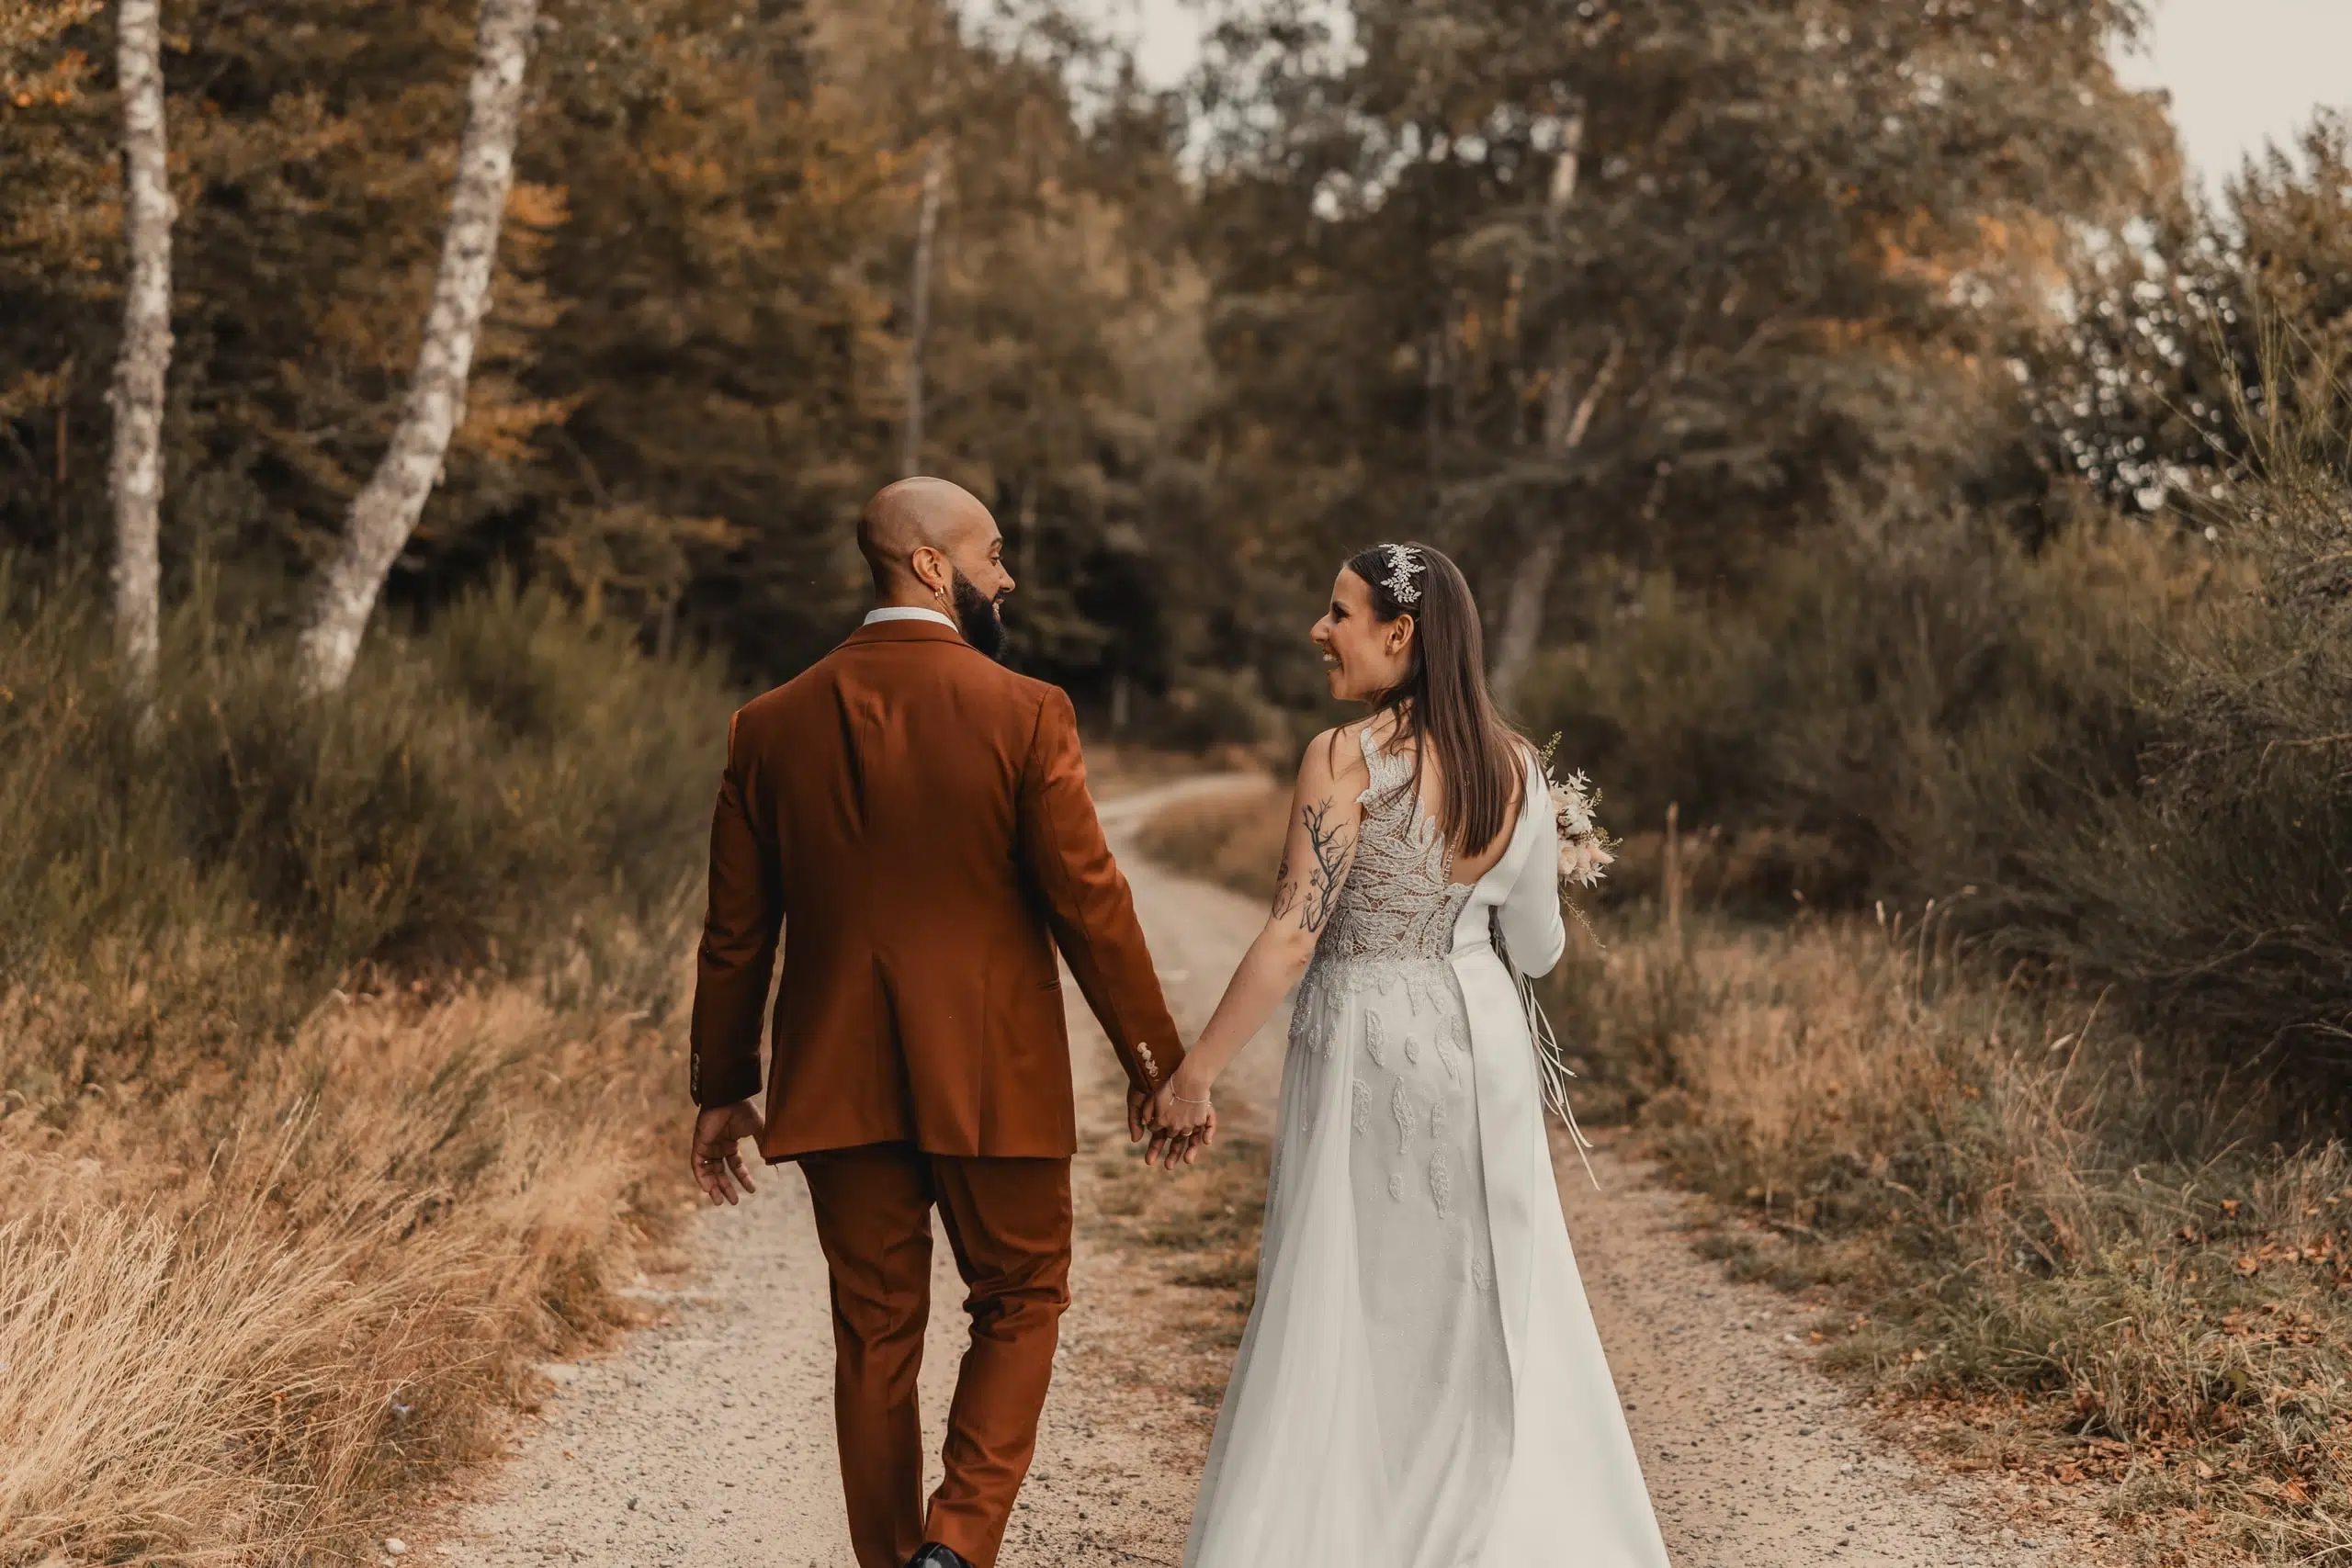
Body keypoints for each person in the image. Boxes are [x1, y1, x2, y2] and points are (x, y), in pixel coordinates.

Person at [684, 476, 1198, 1568]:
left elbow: (737, 935)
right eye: (992, 553)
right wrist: (1154, 1062)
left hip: (834, 1078)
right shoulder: (1025, 712)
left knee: (873, 1337)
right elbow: (1090, 904)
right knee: (1021, 1295)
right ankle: (956, 1547)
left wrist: (721, 1084)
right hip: (991, 1072)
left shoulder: (765, 726)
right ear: (930, 565)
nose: (1005, 576)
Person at [1151, 543, 1671, 1566]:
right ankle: (1481, 1517)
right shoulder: (1516, 768)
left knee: (1351, 1281)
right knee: (1475, 1288)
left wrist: (1195, 1070)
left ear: (1400, 634)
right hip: (1473, 1048)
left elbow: (1298, 930)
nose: (1319, 631)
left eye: (1336, 613)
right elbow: (1537, 949)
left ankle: (1354, 1525)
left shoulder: (1343, 757)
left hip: (1362, 1043)